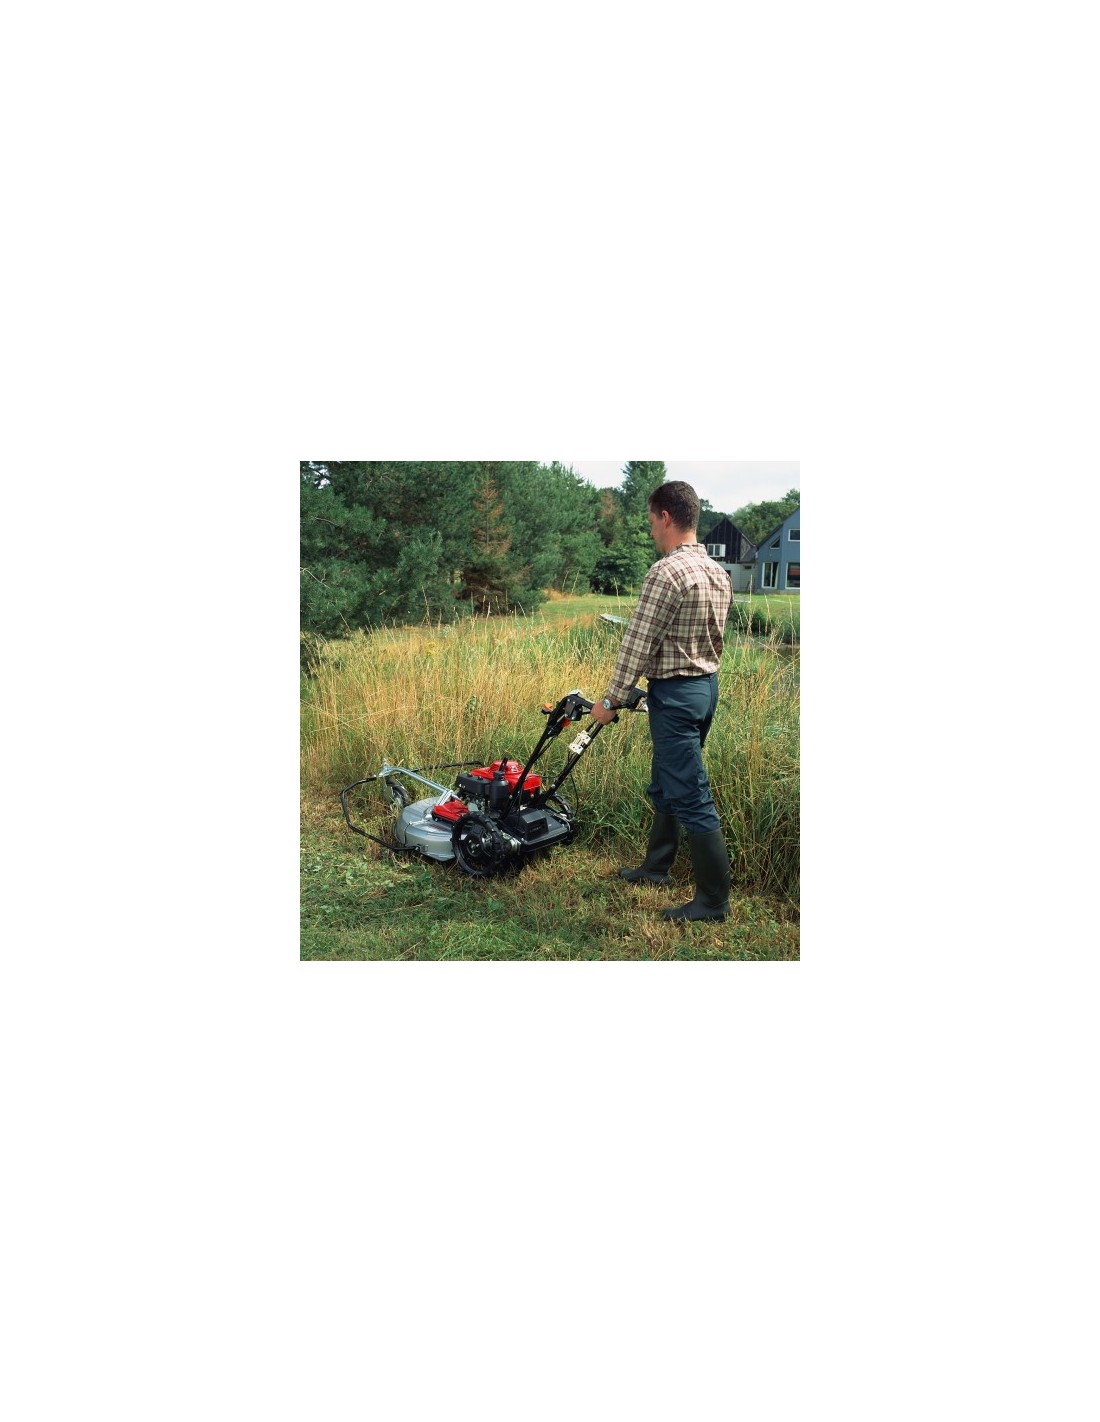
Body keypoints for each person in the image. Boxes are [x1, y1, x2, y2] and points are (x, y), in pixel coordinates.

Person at [589, 481, 733, 921]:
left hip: (675, 695)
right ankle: (656, 868)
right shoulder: (717, 572)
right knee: (669, 780)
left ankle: (713, 902)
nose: (651, 530)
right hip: (704, 689)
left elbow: (638, 643)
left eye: (652, 521)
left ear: (666, 517)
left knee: (690, 793)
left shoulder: (666, 573)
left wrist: (610, 700)